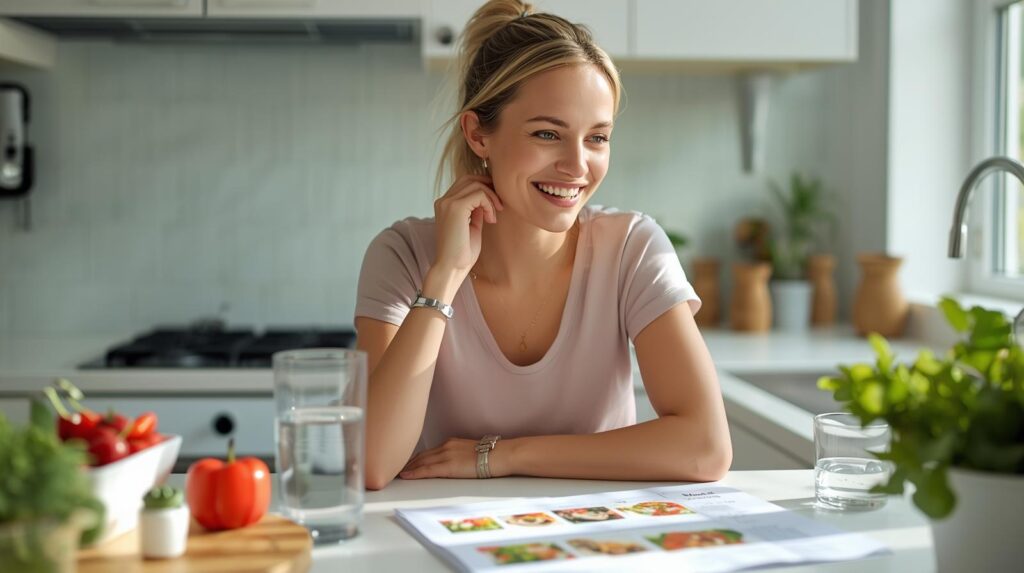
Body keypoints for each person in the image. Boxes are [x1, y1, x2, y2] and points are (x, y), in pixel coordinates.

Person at [355, 0, 731, 490]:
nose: (577, 166)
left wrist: (503, 455)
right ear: (478, 134)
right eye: (548, 133)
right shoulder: (402, 255)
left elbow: (705, 448)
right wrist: (445, 276)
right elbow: (373, 462)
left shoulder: (633, 249)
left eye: (597, 138)